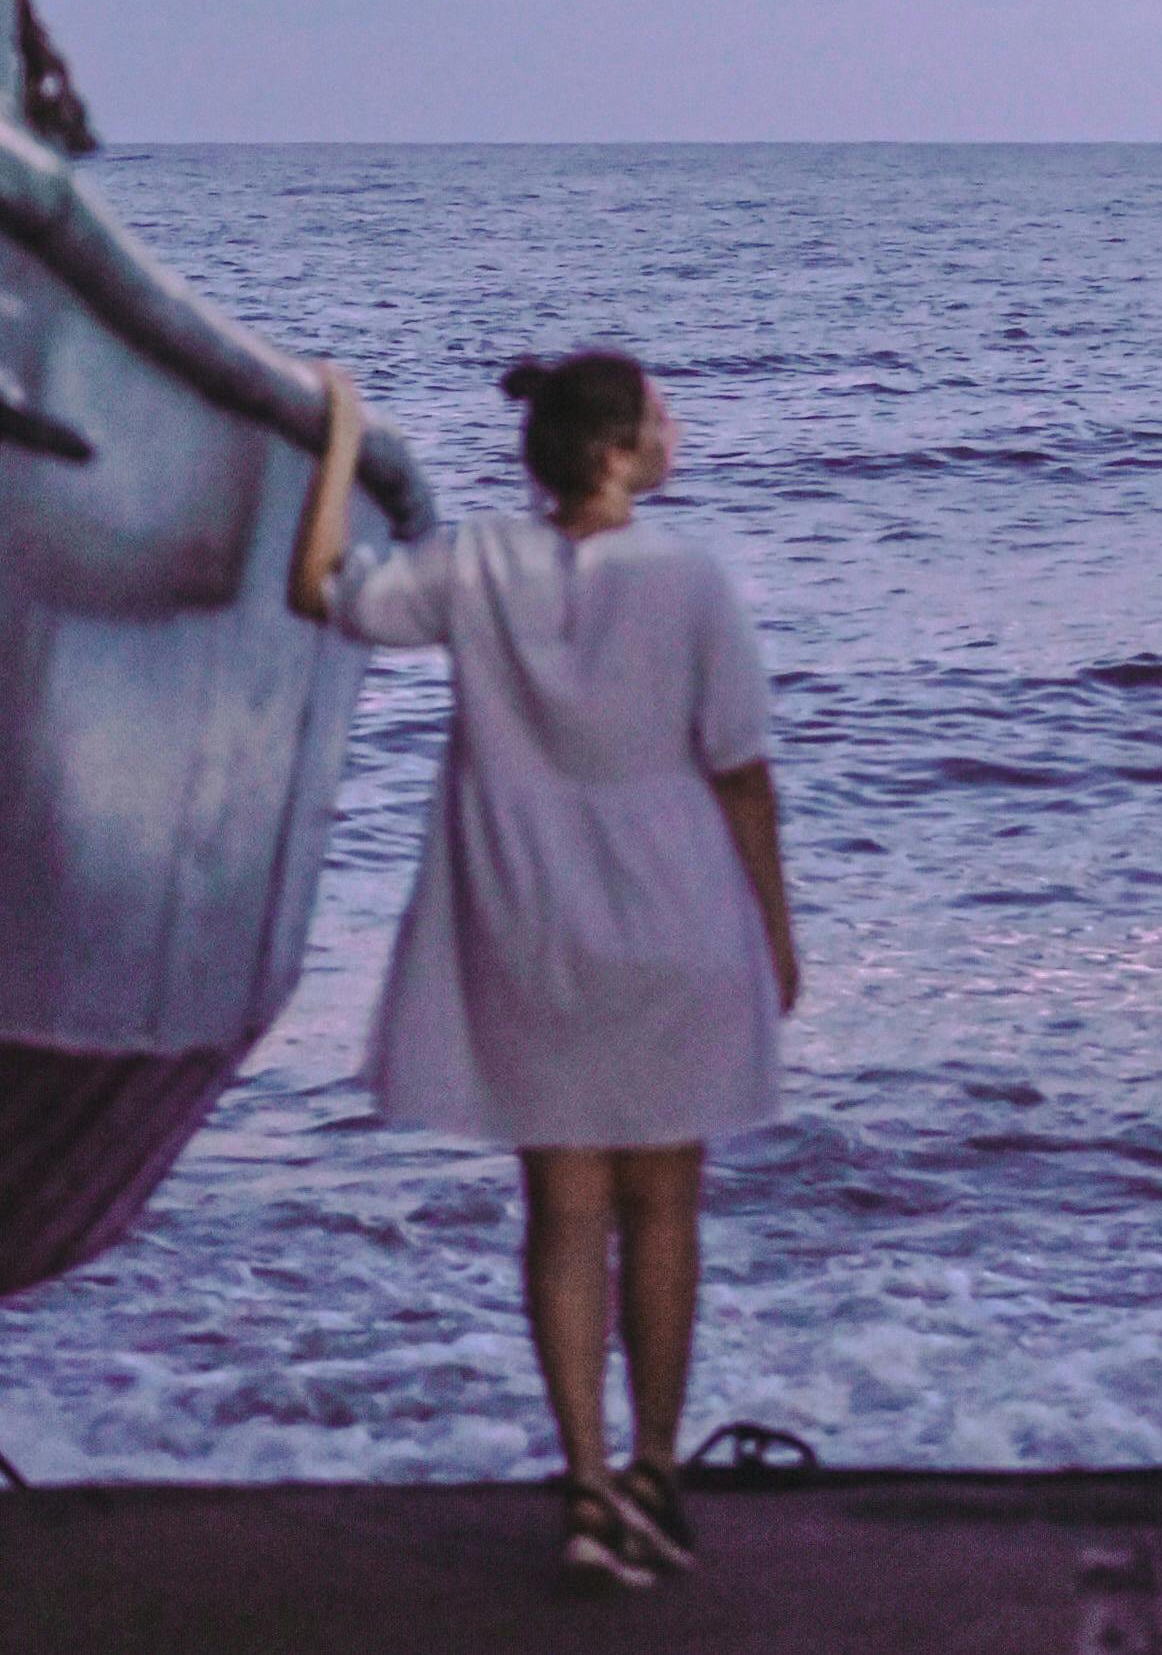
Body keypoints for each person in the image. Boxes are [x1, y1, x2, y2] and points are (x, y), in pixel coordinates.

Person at [288, 348, 799, 1593]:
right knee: (663, 1206)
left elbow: (319, 588)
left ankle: (581, 1484)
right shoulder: (691, 583)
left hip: (525, 924)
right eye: (662, 416)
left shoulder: (472, 563)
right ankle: (656, 1473)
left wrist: (339, 431)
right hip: (671, 924)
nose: (676, 430)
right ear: (619, 450)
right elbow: (739, 774)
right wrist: (776, 934)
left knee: (562, 1213)